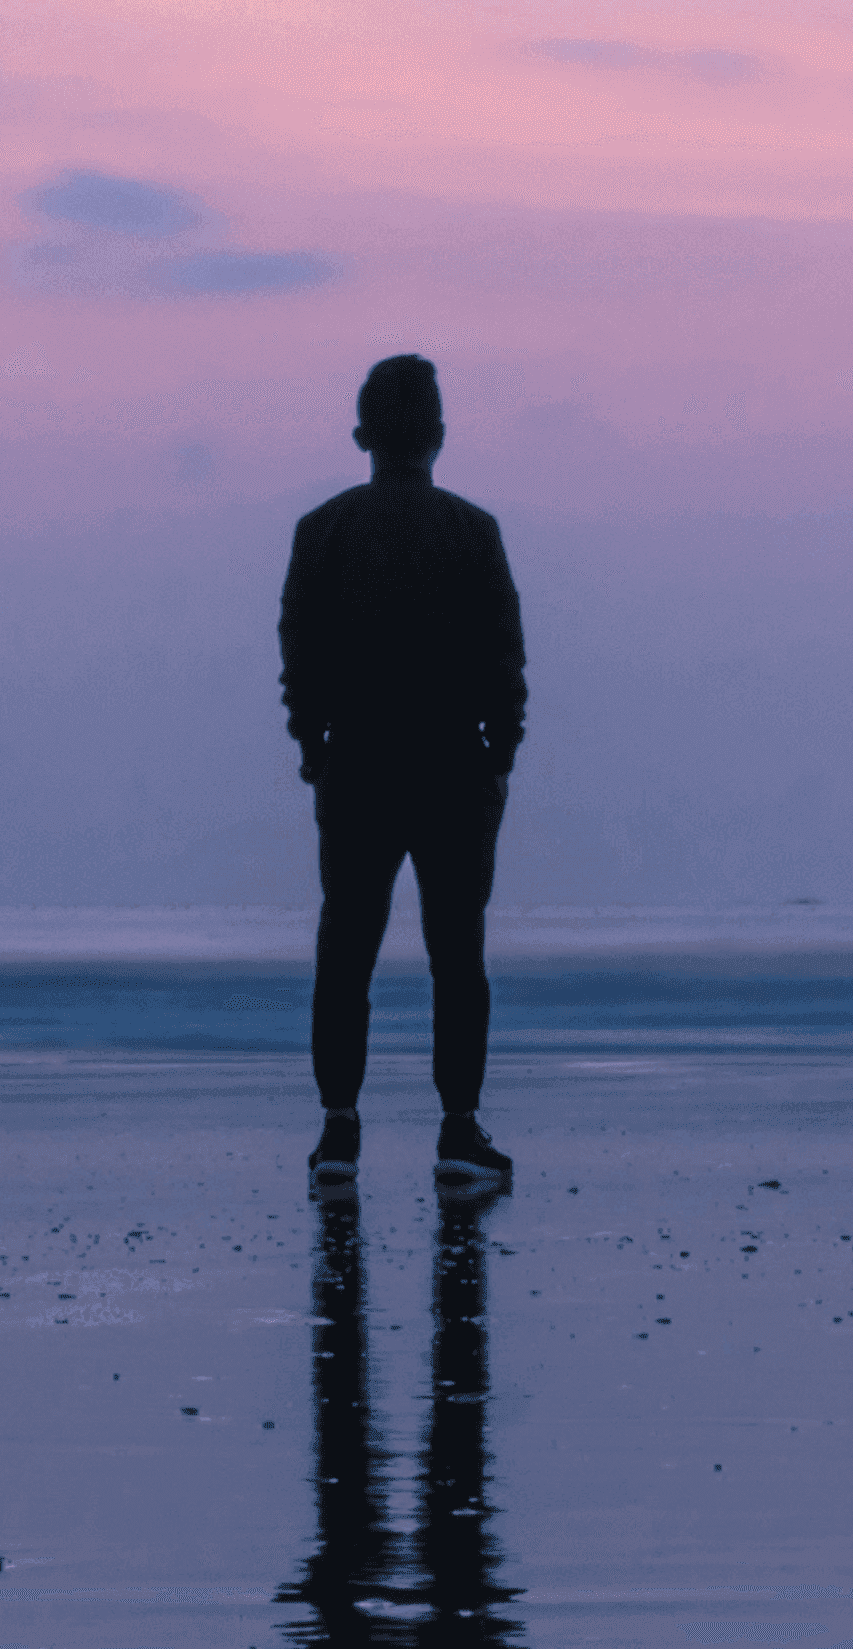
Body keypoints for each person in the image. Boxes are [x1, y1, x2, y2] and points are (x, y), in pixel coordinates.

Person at [278, 353, 524, 1185]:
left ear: (361, 436)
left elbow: (299, 653)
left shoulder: (323, 530)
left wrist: (313, 744)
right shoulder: (473, 529)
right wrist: (499, 755)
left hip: (358, 765)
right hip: (453, 764)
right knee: (457, 954)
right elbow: (504, 659)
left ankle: (338, 1128)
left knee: (346, 947)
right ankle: (458, 1126)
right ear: (439, 437)